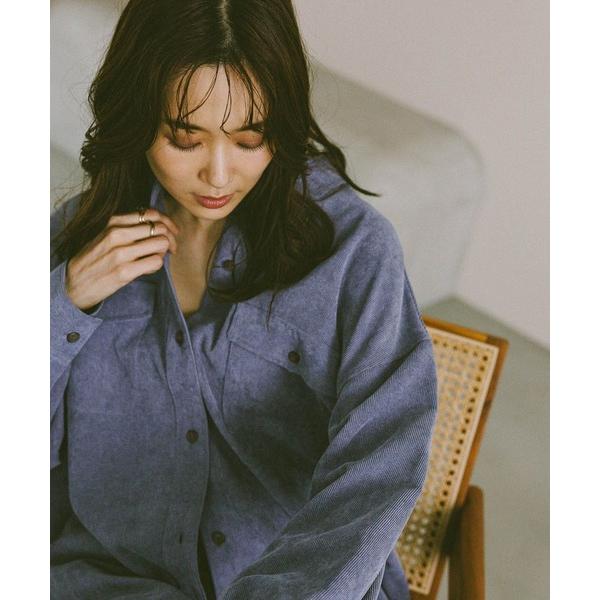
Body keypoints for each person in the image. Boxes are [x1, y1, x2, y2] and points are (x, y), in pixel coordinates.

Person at [50, 1, 438, 598]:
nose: (219, 174)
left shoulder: (354, 251)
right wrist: (62, 308)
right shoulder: (76, 238)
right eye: (185, 138)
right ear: (136, 116)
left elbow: (380, 467)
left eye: (250, 138)